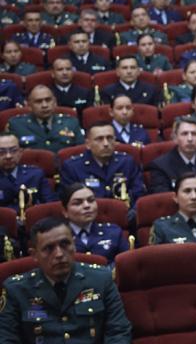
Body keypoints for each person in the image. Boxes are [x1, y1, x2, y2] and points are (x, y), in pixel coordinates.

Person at [0, 217, 132, 342]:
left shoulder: (101, 279)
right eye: (48, 248)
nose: (59, 254)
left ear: (74, 245)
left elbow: (118, 331)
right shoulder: (16, 290)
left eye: (65, 244)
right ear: (34, 255)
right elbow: (6, 337)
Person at [60, 122, 145, 215]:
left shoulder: (127, 162)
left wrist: (132, 214)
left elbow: (139, 193)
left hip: (124, 216)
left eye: (109, 138)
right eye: (99, 139)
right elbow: (68, 202)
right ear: (88, 144)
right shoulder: (72, 167)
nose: (106, 143)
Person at [147, 117, 196, 193]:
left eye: (194, 134)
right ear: (175, 138)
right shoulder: (161, 166)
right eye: (184, 134)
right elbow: (163, 200)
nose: (190, 139)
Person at [60, 183, 128, 264]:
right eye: (78, 203)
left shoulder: (113, 232)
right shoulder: (58, 238)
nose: (87, 206)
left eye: (91, 200)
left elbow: (125, 264)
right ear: (65, 211)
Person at [9, 85, 84, 152]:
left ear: (55, 102)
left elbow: (80, 150)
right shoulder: (16, 125)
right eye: (38, 101)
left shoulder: (71, 122)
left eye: (48, 100)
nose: (44, 105)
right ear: (29, 105)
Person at [0, 133, 56, 213]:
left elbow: (50, 204)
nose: (8, 156)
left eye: (13, 150)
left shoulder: (36, 174)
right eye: (1, 152)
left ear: (20, 152)